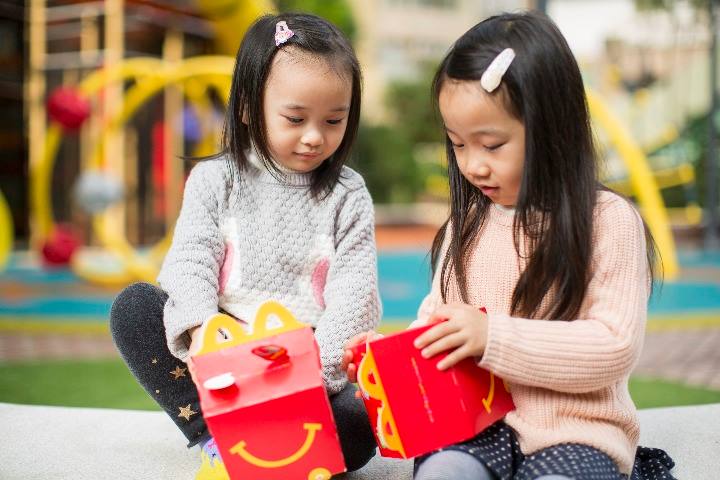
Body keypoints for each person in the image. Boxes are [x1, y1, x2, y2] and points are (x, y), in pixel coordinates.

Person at [343, 11, 675, 480]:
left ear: (551, 129)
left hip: (575, 431)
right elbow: (436, 326)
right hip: (469, 423)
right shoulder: (467, 225)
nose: (472, 166)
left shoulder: (607, 221)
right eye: (458, 145)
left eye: (492, 145)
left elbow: (613, 346)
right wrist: (389, 361)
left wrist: (493, 338)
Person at [110, 13, 379, 480]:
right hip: (224, 355)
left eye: (334, 120)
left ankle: (289, 434)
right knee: (134, 309)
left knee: (360, 418)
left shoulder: (348, 195)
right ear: (249, 108)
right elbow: (190, 259)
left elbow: (354, 294)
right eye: (295, 119)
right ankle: (218, 438)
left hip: (306, 366)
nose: (314, 136)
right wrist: (201, 331)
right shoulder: (216, 178)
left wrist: (311, 376)